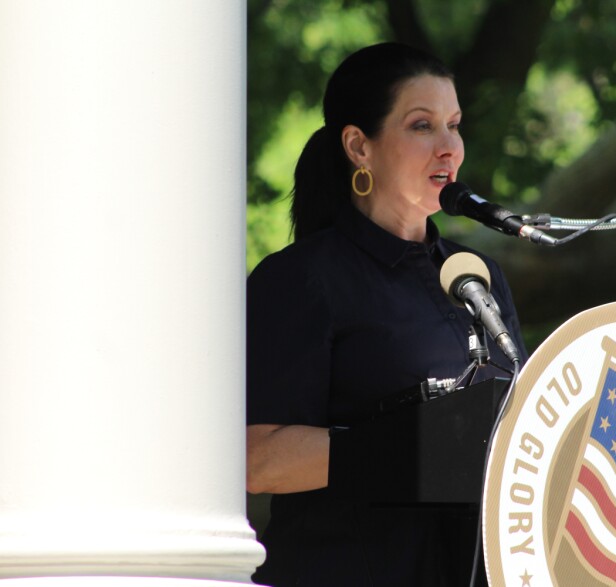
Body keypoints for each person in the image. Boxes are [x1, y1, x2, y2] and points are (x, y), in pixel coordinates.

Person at [246, 42, 528, 586]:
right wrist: (421, 448)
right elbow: (259, 460)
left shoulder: (478, 276)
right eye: (422, 126)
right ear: (359, 146)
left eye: (454, 125)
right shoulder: (300, 279)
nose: (448, 148)